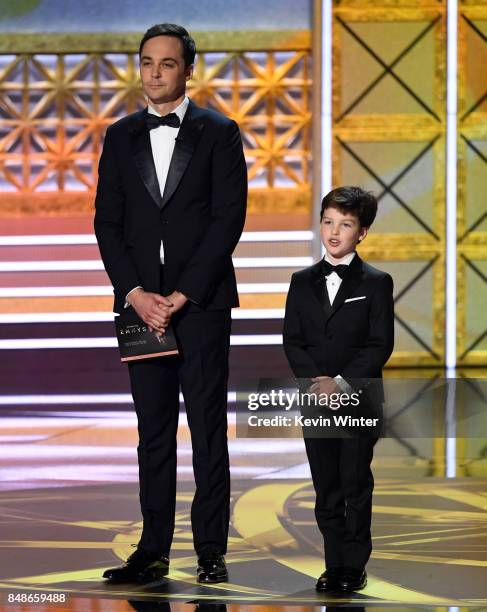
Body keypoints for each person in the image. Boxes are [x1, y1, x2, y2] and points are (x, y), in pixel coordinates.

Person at [94, 23, 247, 584]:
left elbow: (227, 219)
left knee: (207, 430)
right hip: (140, 309)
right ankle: (152, 549)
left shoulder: (220, 132)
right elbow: (107, 222)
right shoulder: (119, 135)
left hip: (200, 306)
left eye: (166, 63)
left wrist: (180, 295)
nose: (155, 73)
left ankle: (211, 551)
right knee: (152, 430)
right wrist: (136, 294)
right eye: (147, 63)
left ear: (188, 69)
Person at [283, 186, 394, 592]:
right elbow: (292, 340)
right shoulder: (300, 281)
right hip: (315, 398)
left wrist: (340, 382)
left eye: (345, 225)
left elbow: (380, 344)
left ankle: (354, 564)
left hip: (358, 396)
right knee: (325, 484)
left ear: (361, 232)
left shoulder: (377, 282)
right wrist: (317, 383)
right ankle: (334, 564)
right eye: (328, 221)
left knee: (355, 482)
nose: (334, 232)